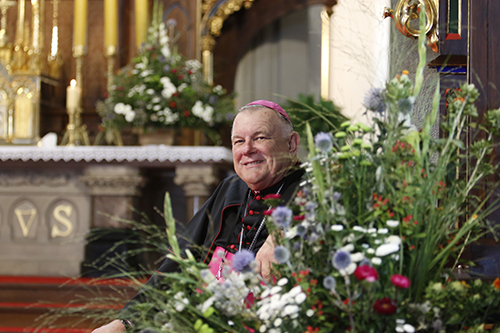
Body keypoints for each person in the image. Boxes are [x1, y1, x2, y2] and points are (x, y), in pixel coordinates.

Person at [91, 100, 302, 332]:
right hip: (203, 316)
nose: (247, 149)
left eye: (260, 138)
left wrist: (284, 235)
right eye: (239, 141)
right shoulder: (230, 188)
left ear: (291, 144)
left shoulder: (313, 187)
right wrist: (126, 322)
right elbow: (179, 263)